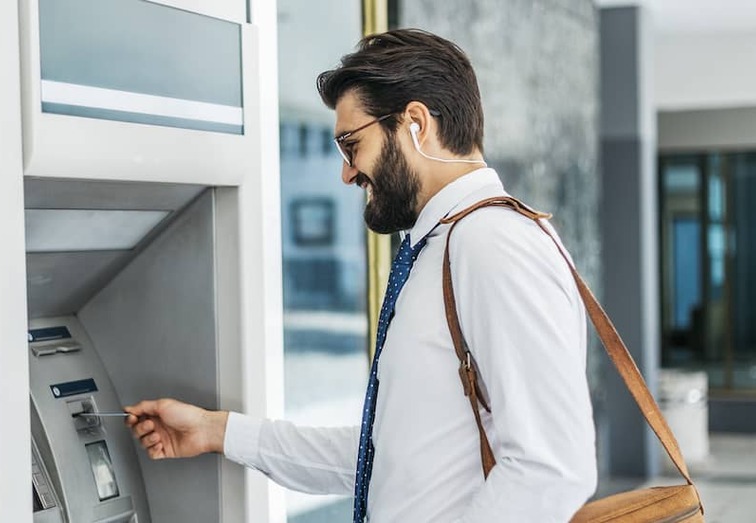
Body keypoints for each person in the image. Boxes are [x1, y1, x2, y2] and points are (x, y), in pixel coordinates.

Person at [125, 28, 597, 522]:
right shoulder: (444, 246)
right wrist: (218, 431)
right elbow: (390, 458)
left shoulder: (492, 243)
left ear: (416, 123)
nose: (347, 173)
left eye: (351, 145)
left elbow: (553, 469)